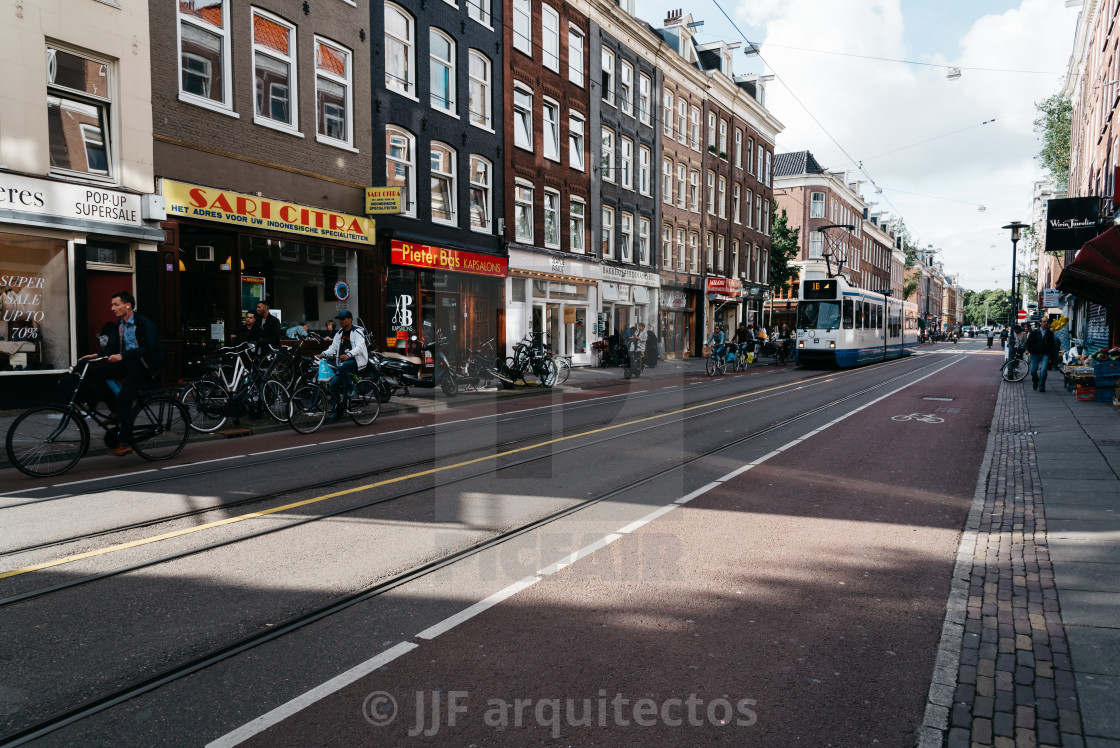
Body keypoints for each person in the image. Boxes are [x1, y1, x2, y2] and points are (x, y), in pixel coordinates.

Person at [83, 291, 165, 456]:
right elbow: (113, 348)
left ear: (127, 306)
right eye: (112, 305)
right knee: (96, 373)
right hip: (128, 362)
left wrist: (123, 355)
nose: (112, 308)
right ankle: (115, 410)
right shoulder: (120, 324)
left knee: (125, 398)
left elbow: (146, 349)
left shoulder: (144, 324)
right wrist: (98, 355)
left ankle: (126, 443)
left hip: (144, 365)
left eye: (115, 304)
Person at [319, 310, 368, 420]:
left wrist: (349, 354)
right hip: (344, 363)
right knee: (333, 385)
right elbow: (333, 347)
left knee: (342, 368)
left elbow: (360, 347)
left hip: (356, 361)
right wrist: (323, 354)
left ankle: (352, 389)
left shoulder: (357, 332)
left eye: (343, 319)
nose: (340, 321)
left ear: (350, 320)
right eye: (339, 319)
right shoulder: (339, 333)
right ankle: (339, 410)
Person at [1027, 320, 1058, 392]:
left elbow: (1052, 345)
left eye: (1047, 322)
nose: (1046, 323)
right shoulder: (1034, 332)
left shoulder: (1050, 333)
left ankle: (1041, 386)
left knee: (1043, 371)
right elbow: (1029, 342)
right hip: (1035, 353)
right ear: (1040, 323)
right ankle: (1035, 381)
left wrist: (1051, 357)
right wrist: (1028, 349)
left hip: (1046, 354)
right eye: (1044, 321)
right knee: (1032, 371)